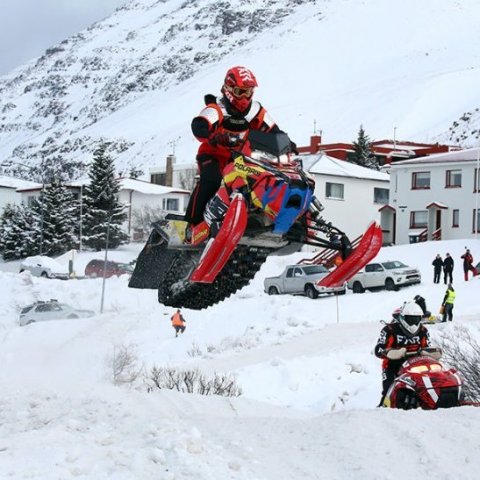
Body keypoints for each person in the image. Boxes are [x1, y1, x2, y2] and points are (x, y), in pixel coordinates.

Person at [184, 65, 297, 238]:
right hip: (212, 155)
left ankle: (262, 218)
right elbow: (200, 123)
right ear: (229, 89)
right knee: (212, 180)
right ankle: (191, 224)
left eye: (249, 91)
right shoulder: (217, 108)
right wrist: (208, 133)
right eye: (240, 91)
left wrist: (287, 143)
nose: (245, 97)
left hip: (240, 159)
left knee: (263, 179)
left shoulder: (255, 111)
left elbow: (273, 130)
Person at [374, 301, 431, 407]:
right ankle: (383, 409)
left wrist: (429, 352)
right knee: (389, 391)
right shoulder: (389, 330)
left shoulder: (423, 330)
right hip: (393, 366)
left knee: (428, 385)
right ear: (403, 318)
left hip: (416, 365)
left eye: (417, 319)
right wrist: (390, 352)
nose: (414, 323)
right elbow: (378, 350)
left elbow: (427, 347)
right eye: (411, 319)